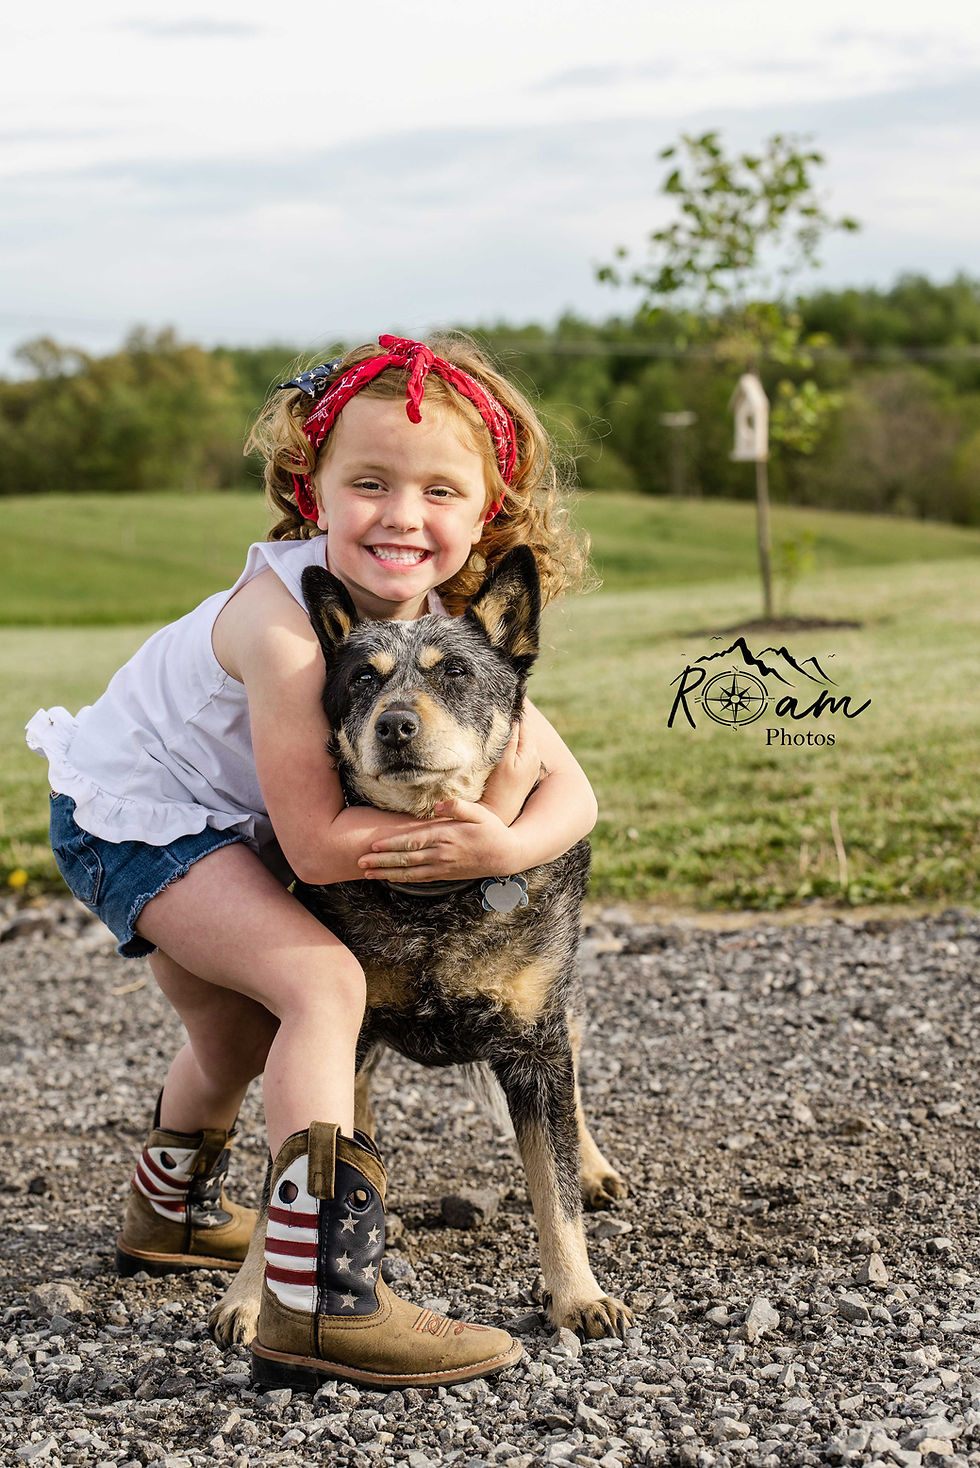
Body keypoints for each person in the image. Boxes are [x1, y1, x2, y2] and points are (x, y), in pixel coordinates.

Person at [26, 333, 598, 1390]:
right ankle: (320, 1297)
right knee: (324, 985)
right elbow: (317, 848)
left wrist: (510, 844)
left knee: (237, 1031)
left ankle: (169, 1209)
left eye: (438, 490)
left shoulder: (434, 629)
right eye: (369, 483)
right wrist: (458, 842)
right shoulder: (284, 624)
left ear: (487, 512)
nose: (400, 514)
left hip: (210, 827)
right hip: (134, 821)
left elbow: (573, 789)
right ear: (311, 489)